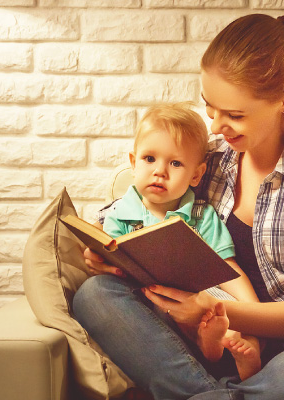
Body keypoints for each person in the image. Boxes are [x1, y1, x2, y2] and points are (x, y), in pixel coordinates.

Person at [71, 12, 284, 400]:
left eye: (235, 115)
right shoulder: (209, 162)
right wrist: (111, 253)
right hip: (213, 345)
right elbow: (144, 204)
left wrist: (210, 308)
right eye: (211, 108)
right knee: (96, 294)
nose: (217, 126)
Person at [101, 102, 264, 379]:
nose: (159, 171)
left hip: (199, 303)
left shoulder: (202, 216)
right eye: (149, 159)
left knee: (218, 302)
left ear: (196, 175)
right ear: (133, 162)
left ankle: (222, 344)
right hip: (150, 311)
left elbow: (228, 269)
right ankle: (208, 344)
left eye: (175, 163)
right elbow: (110, 261)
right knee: (104, 292)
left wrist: (255, 316)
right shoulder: (118, 215)